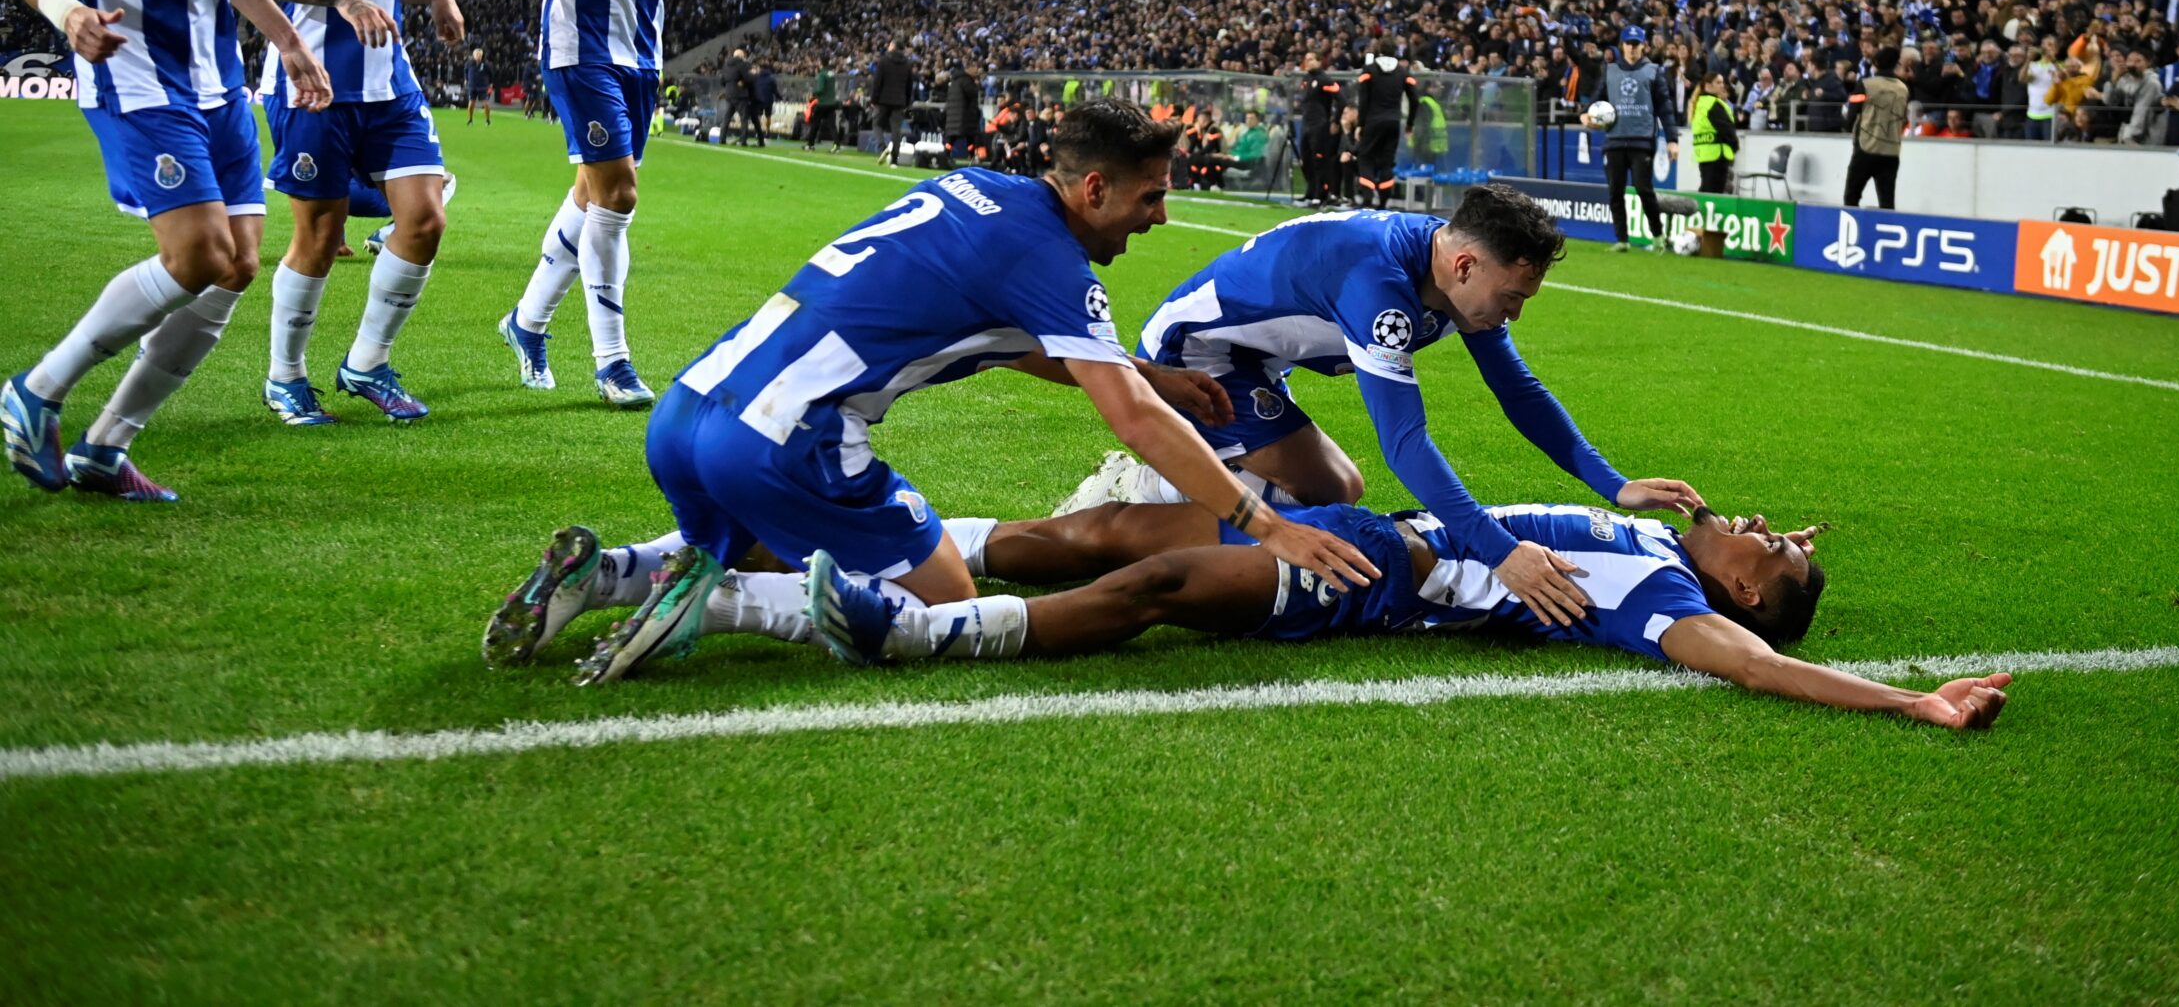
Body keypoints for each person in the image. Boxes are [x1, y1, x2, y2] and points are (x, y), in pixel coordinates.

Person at [480, 100, 1380, 684]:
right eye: (1150, 195)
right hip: (791, 438)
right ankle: (705, 602)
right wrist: (1268, 524)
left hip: (693, 408)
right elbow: (1133, 418)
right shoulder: (1050, 261)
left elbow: (992, 342)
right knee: (945, 609)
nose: (1162, 214)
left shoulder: (971, 186)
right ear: (1095, 186)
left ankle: (608, 572)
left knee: (772, 542)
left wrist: (1142, 370)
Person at [1051, 184, 1706, 627]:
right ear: (1469, 265)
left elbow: (1519, 392)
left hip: (1255, 355)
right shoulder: (1382, 287)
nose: (1515, 312)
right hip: (1194, 353)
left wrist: (1613, 484)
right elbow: (1406, 442)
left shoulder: (1453, 278)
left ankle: (1175, 484)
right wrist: (1500, 552)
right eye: (1513, 295)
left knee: (1334, 489)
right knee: (1327, 492)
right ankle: (1140, 483)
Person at [801, 498, 2008, 731]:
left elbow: (1750, 668)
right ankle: (841, 542)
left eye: (1773, 546)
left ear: (1746, 587)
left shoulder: (1663, 593)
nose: (1765, 524)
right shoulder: (1647, 526)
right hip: (1356, 520)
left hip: (1366, 584)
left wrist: (1912, 700)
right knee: (1082, 535)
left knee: (1159, 591)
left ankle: (913, 632)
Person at [3, 0, 333, 504]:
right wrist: (65, 9)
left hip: (219, 80)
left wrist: (289, 42)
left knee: (237, 266)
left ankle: (105, 447)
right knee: (196, 255)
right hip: (138, 75)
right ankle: (35, 390)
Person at [240, 0, 465, 426]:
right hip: (315, 83)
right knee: (318, 235)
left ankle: (366, 362)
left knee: (425, 218)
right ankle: (285, 376)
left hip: (388, 82)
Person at [486, 0, 701, 409]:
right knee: (620, 194)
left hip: (642, 53)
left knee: (592, 194)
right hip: (578, 49)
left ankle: (525, 322)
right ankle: (613, 362)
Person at [1585, 26, 1677, 250]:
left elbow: (1665, 107)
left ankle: (1657, 237)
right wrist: (1585, 114)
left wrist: (1673, 139)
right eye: (1629, 43)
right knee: (1615, 191)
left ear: (1643, 46)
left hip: (1642, 140)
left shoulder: (1654, 71)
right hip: (1614, 140)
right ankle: (1622, 240)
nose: (1633, 48)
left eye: (1637, 44)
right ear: (1622, 45)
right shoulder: (1610, 70)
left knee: (1644, 189)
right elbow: (1595, 100)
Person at [1351, 50, 1421, 208]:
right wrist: (1410, 123)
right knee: (1386, 163)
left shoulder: (1369, 70)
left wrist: (1361, 124)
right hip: (1393, 122)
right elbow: (1415, 99)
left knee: (1365, 157)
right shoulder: (1403, 72)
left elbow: (1363, 99)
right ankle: (1383, 203)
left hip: (1372, 121)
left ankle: (1367, 198)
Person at [1843, 49, 1910, 209]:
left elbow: (1852, 113)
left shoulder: (1865, 85)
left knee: (1851, 196)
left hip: (1866, 147)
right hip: (1891, 151)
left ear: (1876, 64)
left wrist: (1847, 126)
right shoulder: (1903, 88)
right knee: (1887, 201)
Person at [1295, 50, 1341, 206]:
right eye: (1306, 59)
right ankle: (1310, 191)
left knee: (1319, 160)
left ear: (1319, 61)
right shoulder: (1306, 79)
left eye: (1312, 59)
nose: (1308, 62)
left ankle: (1320, 194)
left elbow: (1341, 100)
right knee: (1305, 160)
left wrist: (1335, 120)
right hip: (1306, 124)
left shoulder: (1325, 80)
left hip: (1319, 125)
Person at [1687, 69, 1738, 197]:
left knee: (1706, 189)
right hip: (1717, 154)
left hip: (1704, 153)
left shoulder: (1699, 103)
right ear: (1709, 85)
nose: (1722, 85)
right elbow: (1726, 129)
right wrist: (1735, 146)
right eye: (1718, 82)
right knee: (1714, 194)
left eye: (1723, 83)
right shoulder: (1713, 104)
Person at [871, 41, 915, 163]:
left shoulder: (884, 61)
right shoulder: (907, 64)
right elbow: (909, 86)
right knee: (896, 129)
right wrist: (907, 102)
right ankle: (894, 159)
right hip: (899, 101)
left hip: (883, 100)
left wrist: (874, 99)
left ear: (893, 47)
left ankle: (882, 147)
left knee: (877, 124)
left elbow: (877, 82)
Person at [463, 46, 495, 125]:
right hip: (472, 86)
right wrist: (466, 79)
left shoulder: (486, 64)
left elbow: (491, 75)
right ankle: (470, 119)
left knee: (486, 103)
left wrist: (491, 84)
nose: (478, 56)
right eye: (477, 55)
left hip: (483, 86)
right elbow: (466, 72)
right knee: (471, 103)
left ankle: (487, 120)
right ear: (473, 55)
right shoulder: (469, 63)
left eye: (480, 55)